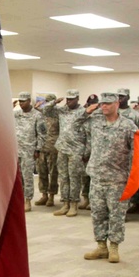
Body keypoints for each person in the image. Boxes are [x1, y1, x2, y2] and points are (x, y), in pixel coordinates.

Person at [78, 93, 136, 263]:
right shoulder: (95, 121)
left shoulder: (128, 125)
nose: (104, 107)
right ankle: (101, 246)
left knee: (116, 215)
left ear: (117, 104)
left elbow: (137, 150)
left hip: (117, 179)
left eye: (108, 104)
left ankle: (114, 247)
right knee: (98, 214)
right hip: (96, 177)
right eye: (102, 104)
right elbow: (74, 125)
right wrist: (87, 111)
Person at [44, 89, 85, 217]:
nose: (69, 101)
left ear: (78, 98)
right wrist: (54, 102)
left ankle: (74, 204)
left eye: (71, 99)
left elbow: (88, 132)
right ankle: (65, 203)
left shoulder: (83, 112)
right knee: (63, 177)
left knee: (74, 177)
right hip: (62, 148)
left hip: (76, 149)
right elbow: (46, 111)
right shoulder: (62, 111)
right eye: (67, 99)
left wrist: (86, 150)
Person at [13, 91, 44, 212]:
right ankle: (18, 199)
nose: (21, 103)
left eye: (23, 101)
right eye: (20, 101)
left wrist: (38, 149)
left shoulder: (37, 115)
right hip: (16, 150)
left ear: (29, 101)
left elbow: (42, 134)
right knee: (17, 177)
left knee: (27, 176)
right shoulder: (16, 114)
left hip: (29, 150)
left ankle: (27, 200)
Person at [33, 93, 59, 207]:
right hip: (42, 147)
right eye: (47, 102)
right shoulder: (40, 115)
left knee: (53, 173)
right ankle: (44, 195)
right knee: (42, 172)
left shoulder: (58, 115)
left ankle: (52, 196)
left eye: (50, 102)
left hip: (54, 147)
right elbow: (37, 132)